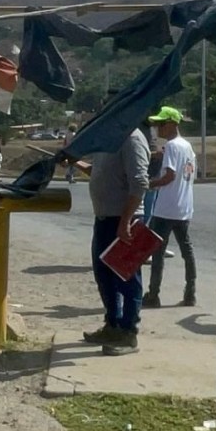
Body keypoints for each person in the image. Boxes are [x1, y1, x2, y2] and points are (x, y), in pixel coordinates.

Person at [84, 125, 150, 356]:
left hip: (124, 221)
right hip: (104, 219)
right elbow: (103, 172)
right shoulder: (110, 136)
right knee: (104, 276)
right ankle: (112, 324)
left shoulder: (132, 138)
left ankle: (128, 333)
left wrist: (126, 221)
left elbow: (140, 182)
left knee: (127, 277)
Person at [142, 107, 198, 308]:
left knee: (157, 252)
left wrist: (150, 183)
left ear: (173, 124)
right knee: (187, 250)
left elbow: (170, 176)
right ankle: (190, 293)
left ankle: (153, 294)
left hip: (166, 208)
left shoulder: (173, 146)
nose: (157, 128)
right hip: (184, 207)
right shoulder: (187, 147)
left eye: (161, 124)